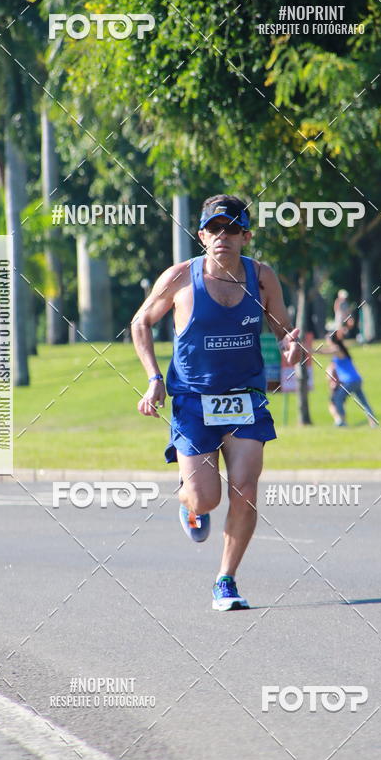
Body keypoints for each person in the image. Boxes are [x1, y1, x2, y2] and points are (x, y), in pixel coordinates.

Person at [131, 194, 301, 611]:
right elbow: (141, 322)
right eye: (214, 228)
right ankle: (190, 503)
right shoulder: (179, 279)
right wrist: (154, 379)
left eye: (231, 229)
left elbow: (281, 329)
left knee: (244, 490)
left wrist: (289, 347)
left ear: (245, 235)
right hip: (192, 398)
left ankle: (226, 580)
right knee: (206, 498)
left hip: (245, 395)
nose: (221, 236)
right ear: (202, 234)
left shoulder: (262, 278)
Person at [326, 330, 377, 428]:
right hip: (356, 380)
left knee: (337, 399)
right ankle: (373, 422)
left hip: (350, 381)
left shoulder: (336, 349)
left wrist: (312, 350)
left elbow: (325, 352)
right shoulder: (342, 349)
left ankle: (341, 421)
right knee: (363, 402)